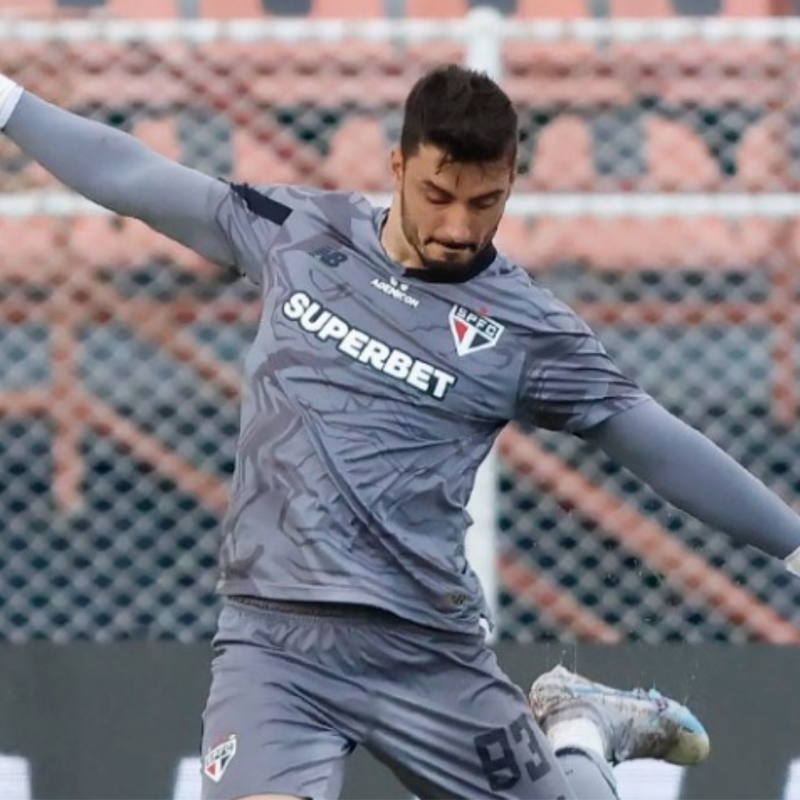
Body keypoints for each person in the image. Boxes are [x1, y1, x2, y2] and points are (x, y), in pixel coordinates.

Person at [1, 60, 798, 800]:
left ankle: (580, 727)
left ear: (512, 183)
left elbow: (653, 440)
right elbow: (134, 177)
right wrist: (9, 103)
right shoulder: (301, 235)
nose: (458, 226)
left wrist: (792, 544)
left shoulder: (528, 332)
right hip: (275, 640)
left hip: (425, 649)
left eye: (485, 203)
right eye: (439, 195)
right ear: (398, 167)